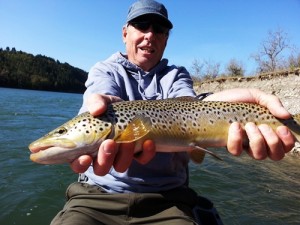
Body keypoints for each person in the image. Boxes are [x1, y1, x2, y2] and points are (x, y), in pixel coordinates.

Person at [50, 0, 296, 224]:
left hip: (167, 201)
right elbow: (96, 105)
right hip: (97, 197)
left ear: (166, 39)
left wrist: (246, 102)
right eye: (141, 25)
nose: (150, 35)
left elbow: (188, 106)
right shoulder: (104, 70)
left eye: (159, 29)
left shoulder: (176, 75)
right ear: (125, 33)